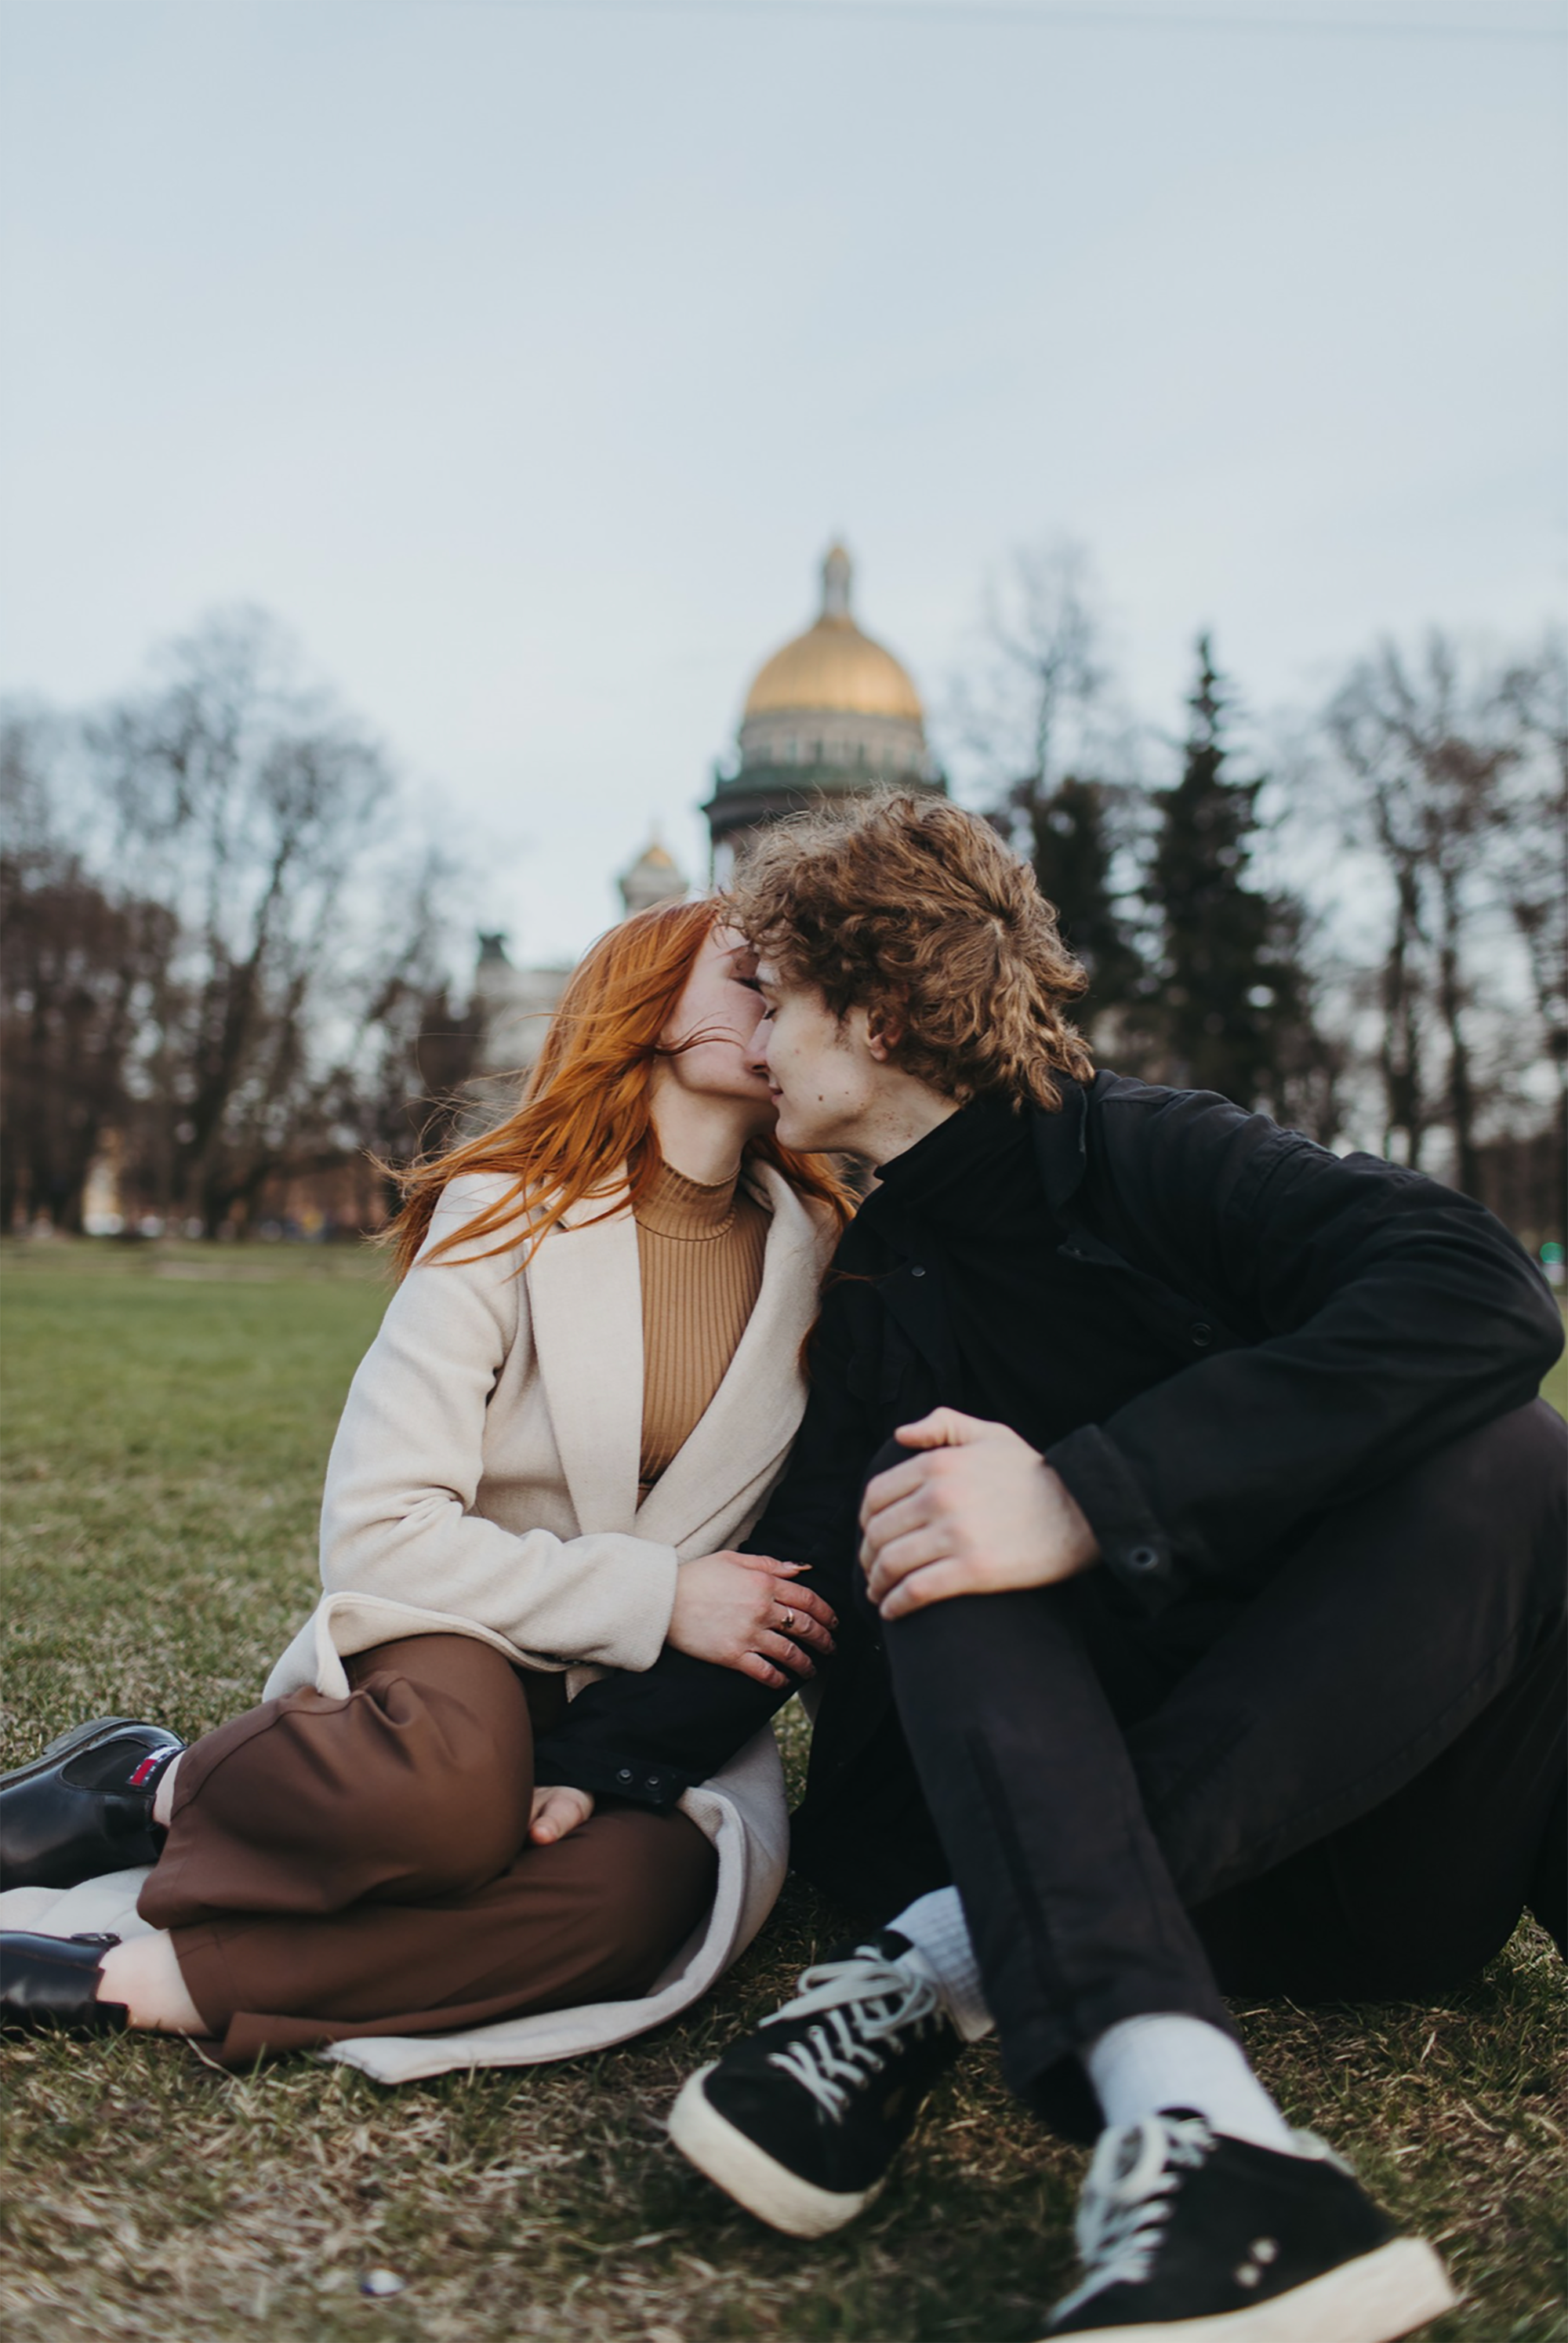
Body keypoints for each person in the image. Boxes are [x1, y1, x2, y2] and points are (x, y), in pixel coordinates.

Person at [521, 794, 1568, 2343]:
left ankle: (937, 1967)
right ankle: (1201, 2137)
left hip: (1373, 1841)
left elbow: (1481, 1297)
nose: (761, 1038)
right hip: (1085, 1855)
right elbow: (804, 1566)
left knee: (1517, 1453)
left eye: (781, 997)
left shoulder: (1151, 1157)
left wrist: (1087, 1496)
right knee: (928, 1504)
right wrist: (595, 1764)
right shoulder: (874, 1279)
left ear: (870, 1019)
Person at [0, 899, 851, 2071]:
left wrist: (659, 1663)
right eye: (748, 971)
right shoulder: (502, 1206)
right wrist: (660, 1595)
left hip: (653, 1703)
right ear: (648, 1000)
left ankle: (133, 1980)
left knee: (639, 1899)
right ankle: (151, 1783)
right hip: (468, 1627)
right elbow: (379, 1531)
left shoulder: (834, 1253)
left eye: (797, 984)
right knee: (449, 1800)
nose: (780, 999)